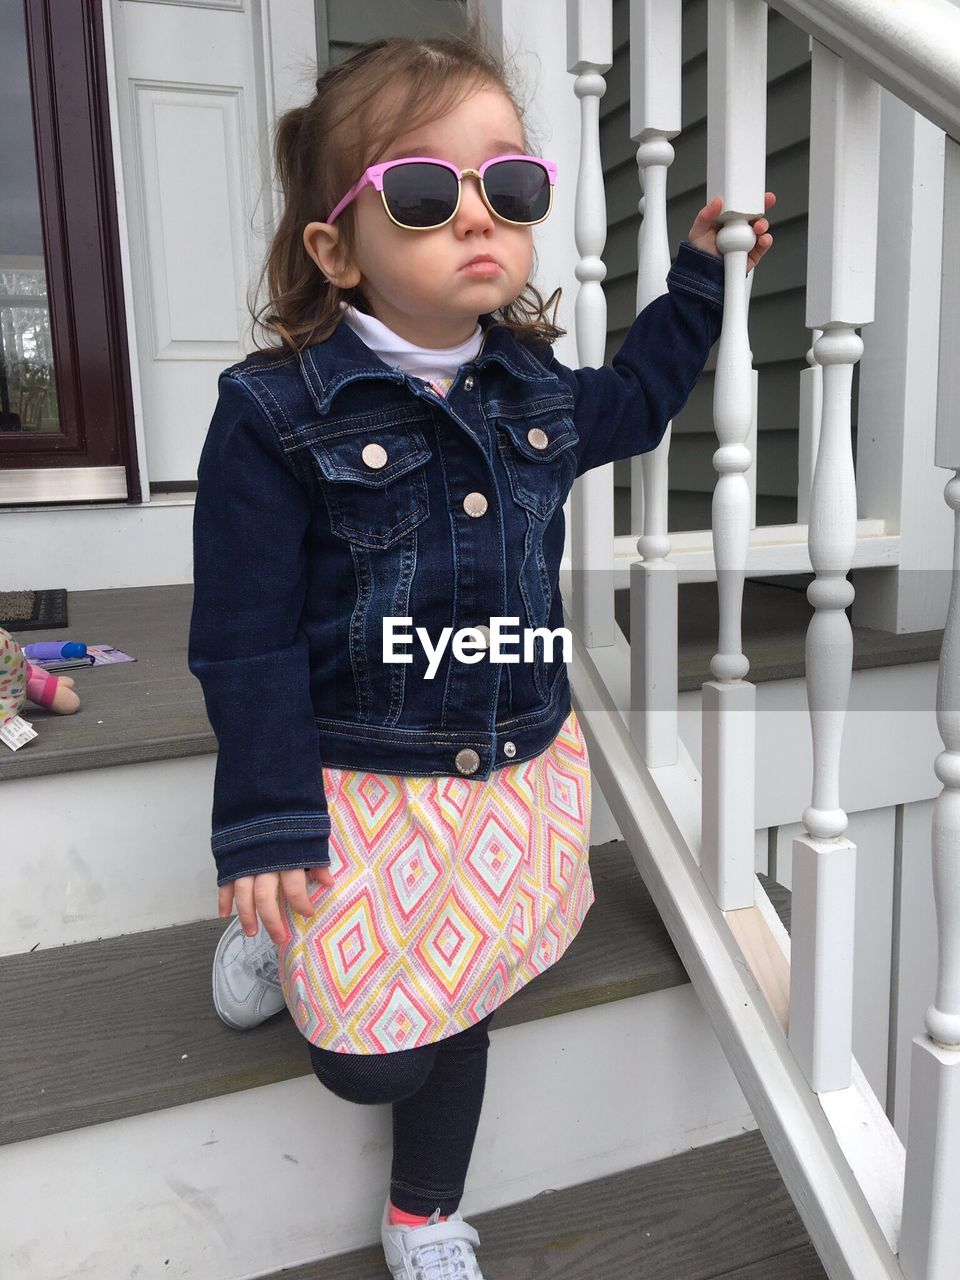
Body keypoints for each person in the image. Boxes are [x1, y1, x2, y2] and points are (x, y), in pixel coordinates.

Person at [189, 28, 774, 1279]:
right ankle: (270, 930)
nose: (476, 218)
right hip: (357, 776)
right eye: (420, 190)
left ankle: (424, 1211)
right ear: (338, 247)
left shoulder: (539, 393)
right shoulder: (271, 417)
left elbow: (646, 393)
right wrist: (266, 825)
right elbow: (240, 644)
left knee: (462, 1001)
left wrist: (700, 280)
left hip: (506, 769)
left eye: (507, 188)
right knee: (363, 1060)